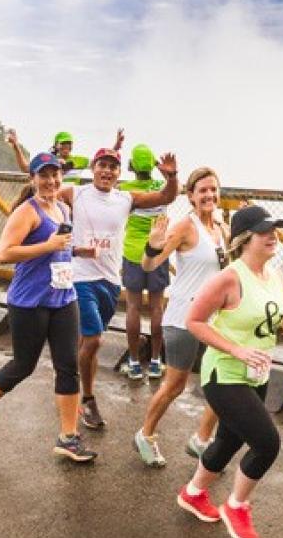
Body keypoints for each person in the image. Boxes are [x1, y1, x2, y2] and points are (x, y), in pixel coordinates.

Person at [176, 205, 283, 538]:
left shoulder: (277, 278)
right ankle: (237, 504)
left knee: (229, 440)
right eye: (265, 231)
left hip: (257, 375)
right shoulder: (229, 278)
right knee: (267, 444)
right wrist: (235, 349)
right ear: (245, 239)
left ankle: (193, 492)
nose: (273, 236)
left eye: (275, 230)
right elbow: (194, 321)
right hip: (224, 373)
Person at [0, 152, 94, 462]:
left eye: (55, 174)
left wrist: (77, 250)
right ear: (33, 178)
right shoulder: (27, 211)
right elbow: (4, 253)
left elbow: (57, 249)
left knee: (67, 365)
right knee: (23, 366)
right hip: (29, 301)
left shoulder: (62, 207)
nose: (51, 180)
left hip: (63, 297)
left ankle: (68, 437)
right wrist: (48, 246)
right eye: (44, 175)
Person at [62, 147, 178, 430]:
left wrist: (172, 177)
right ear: (93, 167)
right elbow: (43, 189)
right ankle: (83, 397)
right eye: (102, 165)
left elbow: (166, 197)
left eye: (113, 167)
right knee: (94, 341)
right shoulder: (75, 193)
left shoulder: (126, 198)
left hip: (110, 281)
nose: (107, 171)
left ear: (118, 173)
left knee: (87, 341)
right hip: (80, 277)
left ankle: (75, 384)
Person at [133, 166, 227, 467]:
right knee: (174, 386)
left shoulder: (222, 228)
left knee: (223, 383)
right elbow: (149, 265)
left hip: (214, 322)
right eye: (202, 191)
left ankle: (201, 440)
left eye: (213, 189)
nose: (209, 195)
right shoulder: (185, 227)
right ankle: (145, 435)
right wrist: (152, 245)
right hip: (184, 319)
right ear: (190, 196)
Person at [117, 144, 171, 381]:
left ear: (132, 166)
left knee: (133, 308)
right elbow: (174, 188)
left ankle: (135, 362)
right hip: (157, 252)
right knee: (157, 308)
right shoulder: (162, 187)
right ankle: (157, 361)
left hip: (132, 254)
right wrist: (165, 172)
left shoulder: (124, 190)